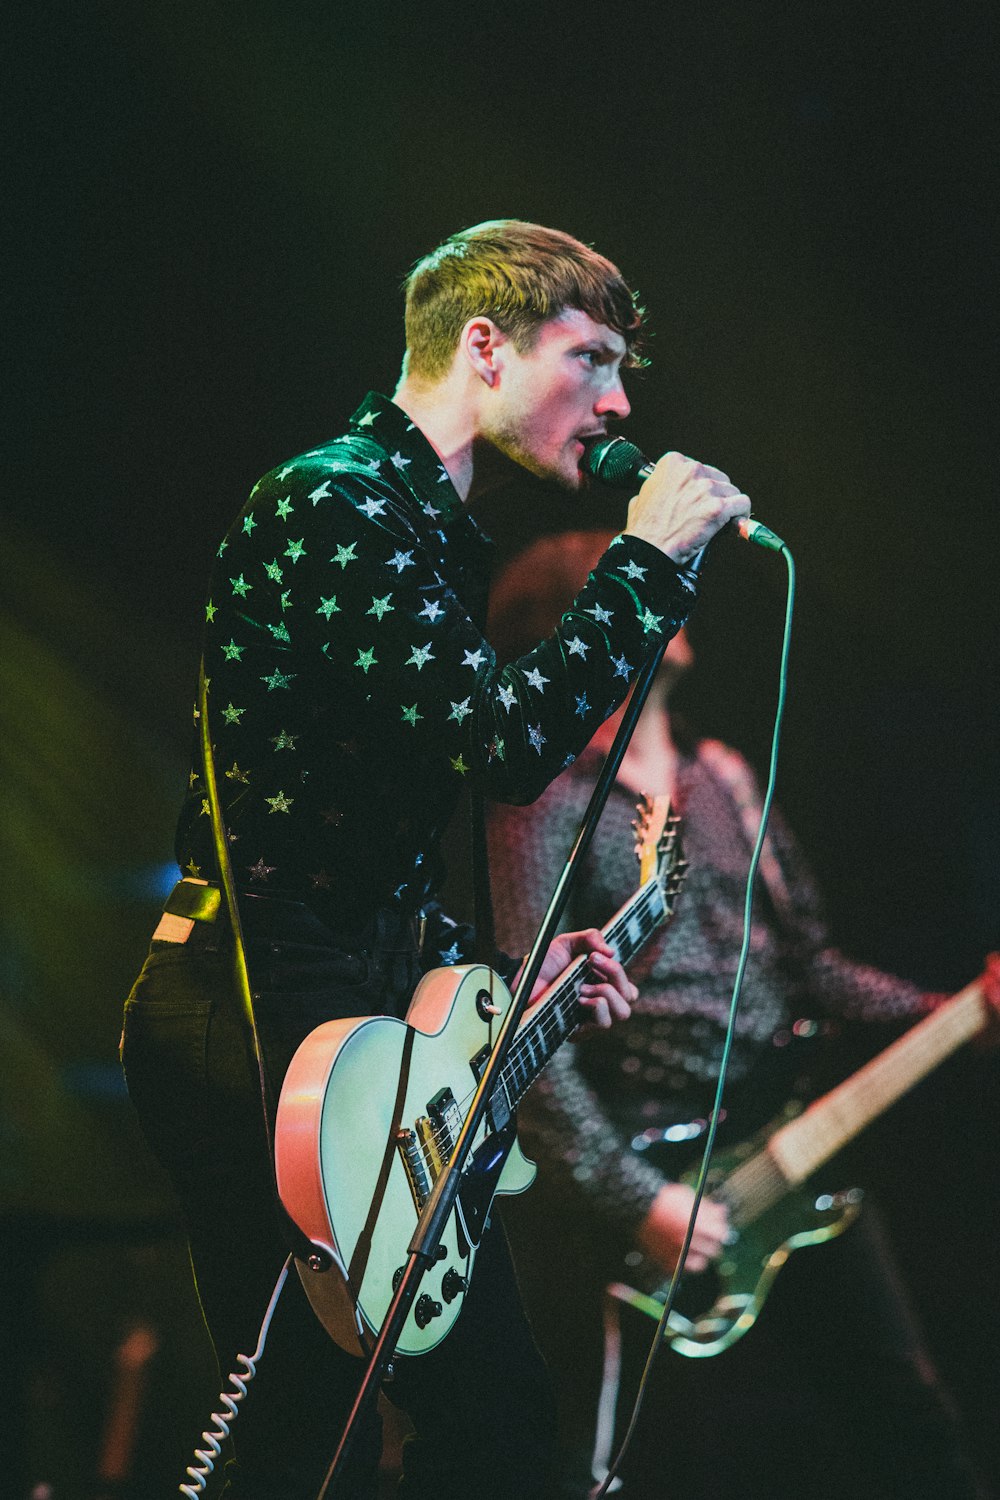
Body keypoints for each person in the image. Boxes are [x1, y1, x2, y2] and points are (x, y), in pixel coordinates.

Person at [119, 221, 754, 1500]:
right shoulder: (334, 502)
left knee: (494, 1418)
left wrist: (509, 975)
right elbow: (509, 743)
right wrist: (648, 561)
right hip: (256, 1005)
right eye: (593, 359)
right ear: (483, 345)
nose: (619, 401)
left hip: (358, 1000)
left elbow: (381, 833)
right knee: (305, 1431)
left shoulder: (417, 527)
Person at [487, 529, 1000, 1500]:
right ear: (581, 621)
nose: (674, 595)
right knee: (611, 1467)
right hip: (639, 1173)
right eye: (638, 578)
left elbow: (809, 968)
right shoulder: (543, 797)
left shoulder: (721, 777)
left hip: (783, 1142)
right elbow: (525, 1028)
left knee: (906, 1417)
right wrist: (633, 1197)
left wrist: (956, 1010)